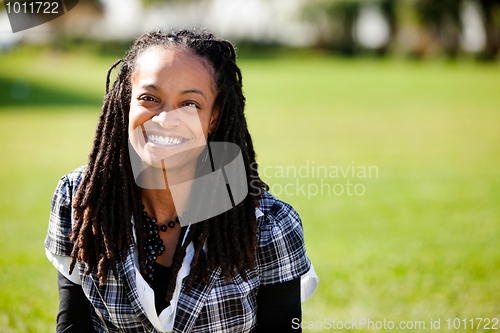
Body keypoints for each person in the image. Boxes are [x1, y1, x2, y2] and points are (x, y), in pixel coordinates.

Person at [45, 29, 318, 333]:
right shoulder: (80, 200)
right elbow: (73, 325)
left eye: (190, 104)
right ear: (126, 103)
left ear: (214, 118)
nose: (165, 119)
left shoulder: (268, 226)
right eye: (149, 98)